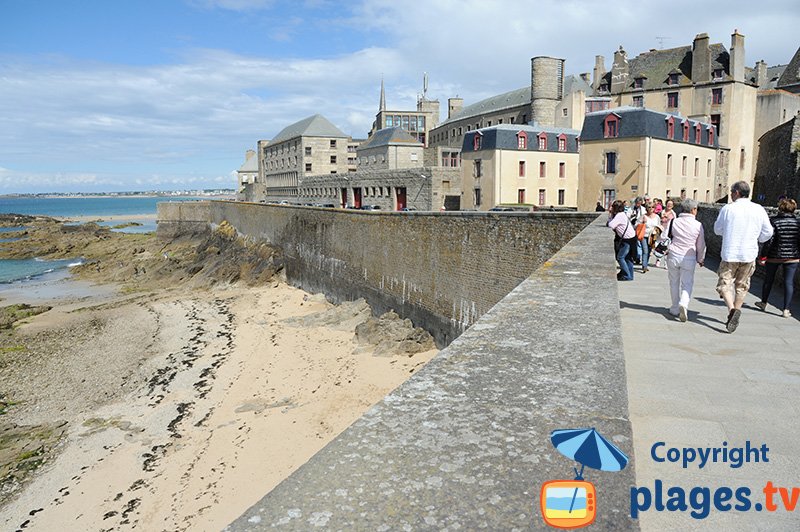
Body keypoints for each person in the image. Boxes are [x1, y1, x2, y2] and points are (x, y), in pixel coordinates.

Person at [713, 181, 774, 333]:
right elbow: (768, 232)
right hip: (748, 253)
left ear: (737, 193)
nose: (731, 194)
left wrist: (728, 232)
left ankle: (732, 310)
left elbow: (717, 229)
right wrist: (758, 239)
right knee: (742, 285)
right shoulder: (758, 209)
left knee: (724, 283)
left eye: (732, 192)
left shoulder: (728, 209)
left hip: (730, 253)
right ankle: (737, 309)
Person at [755, 198, 800, 318]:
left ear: (780, 208)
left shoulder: (773, 221)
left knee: (768, 280)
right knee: (788, 282)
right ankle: (786, 309)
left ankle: (763, 302)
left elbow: (769, 241)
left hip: (774, 256)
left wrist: (763, 256)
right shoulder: (798, 223)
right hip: (792, 257)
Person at [666, 199, 706, 322]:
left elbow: (664, 236)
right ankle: (684, 303)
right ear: (693, 210)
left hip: (673, 254)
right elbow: (701, 244)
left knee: (674, 282)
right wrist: (700, 258)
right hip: (689, 256)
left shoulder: (674, 221)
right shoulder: (698, 225)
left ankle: (674, 308)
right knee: (687, 283)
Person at [608, 199, 637, 281]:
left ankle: (627, 275)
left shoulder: (619, 216)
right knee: (628, 258)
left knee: (620, 257)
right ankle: (630, 275)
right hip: (631, 238)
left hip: (627, 239)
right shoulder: (622, 214)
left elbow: (611, 225)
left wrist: (610, 215)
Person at [638, 203, 661, 272]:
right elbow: (636, 225)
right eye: (649, 207)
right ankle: (644, 266)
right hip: (644, 235)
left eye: (652, 207)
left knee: (649, 251)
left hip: (652, 237)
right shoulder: (643, 216)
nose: (651, 208)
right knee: (645, 250)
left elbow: (659, 225)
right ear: (646, 208)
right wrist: (642, 222)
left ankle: (645, 264)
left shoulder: (657, 217)